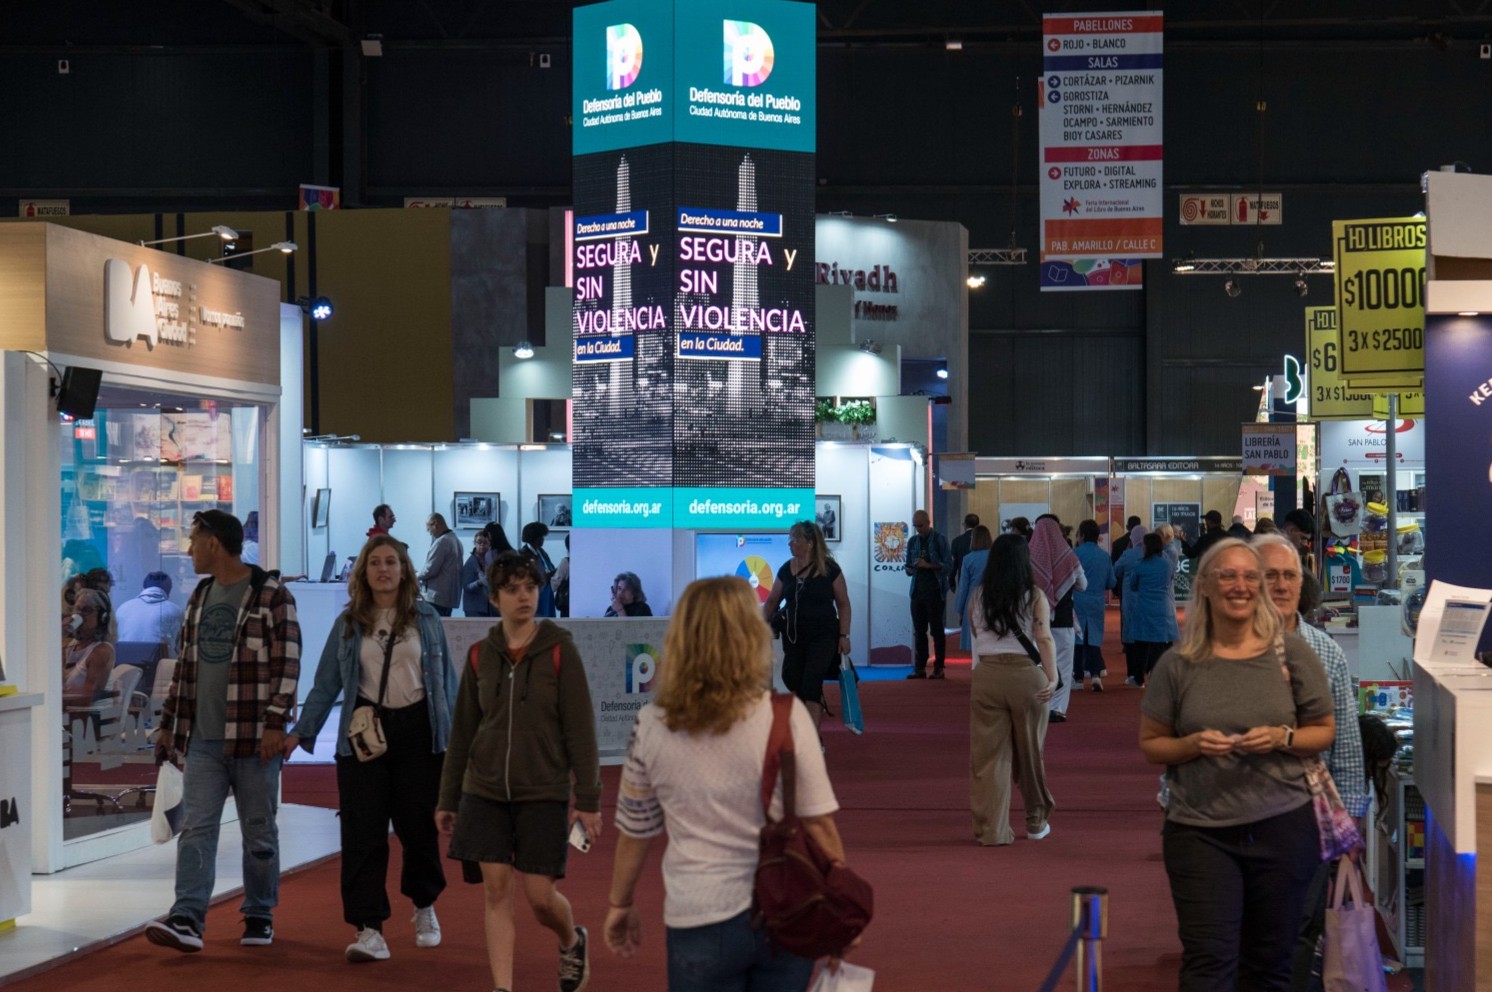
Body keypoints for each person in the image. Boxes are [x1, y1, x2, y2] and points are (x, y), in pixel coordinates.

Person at [605, 576, 850, 990]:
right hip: (784, 908)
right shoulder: (787, 716)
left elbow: (635, 830)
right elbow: (820, 826)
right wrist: (842, 902)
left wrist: (620, 902)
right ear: (752, 635)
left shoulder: (651, 724)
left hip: (698, 913)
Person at [1140, 538, 1335, 991]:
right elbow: (1152, 744)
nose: (1240, 586)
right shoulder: (1177, 665)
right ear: (1205, 585)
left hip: (1284, 828)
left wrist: (1283, 737)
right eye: (1227, 575)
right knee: (1209, 963)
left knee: (1271, 964)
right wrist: (1190, 744)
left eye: (1250, 576)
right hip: (1200, 832)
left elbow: (1323, 730)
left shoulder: (1293, 654)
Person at [285, 535, 460, 963]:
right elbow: (326, 682)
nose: (383, 569)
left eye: (391, 562)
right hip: (364, 735)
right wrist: (299, 733)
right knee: (362, 832)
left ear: (404, 571)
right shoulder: (349, 623)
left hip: (419, 733)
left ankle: (424, 907)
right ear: (364, 572)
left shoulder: (428, 619)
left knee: (417, 827)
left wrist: (459, 744)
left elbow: (446, 686)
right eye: (375, 563)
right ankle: (368, 929)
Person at [437, 552, 601, 992]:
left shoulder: (560, 650)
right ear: (494, 599)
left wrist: (588, 800)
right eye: (512, 589)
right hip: (484, 789)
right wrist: (448, 798)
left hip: (542, 790)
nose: (523, 596)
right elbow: (464, 731)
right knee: (495, 891)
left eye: (530, 587)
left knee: (540, 898)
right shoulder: (478, 656)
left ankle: (570, 939)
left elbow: (580, 729)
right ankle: (503, 988)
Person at [146, 510, 301, 953]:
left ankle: (259, 912)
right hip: (203, 740)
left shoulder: (271, 595)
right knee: (196, 827)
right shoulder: (200, 595)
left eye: (193, 540)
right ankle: (188, 917)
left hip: (255, 739)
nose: (189, 549)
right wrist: (167, 726)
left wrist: (275, 722)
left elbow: (287, 666)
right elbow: (185, 668)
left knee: (258, 829)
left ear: (214, 543)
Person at [968, 534, 1058, 845]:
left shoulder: (978, 596)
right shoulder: (1034, 596)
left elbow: (975, 633)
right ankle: (1035, 822)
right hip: (1025, 678)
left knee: (989, 758)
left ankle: (992, 830)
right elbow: (1044, 638)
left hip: (987, 677)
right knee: (1031, 753)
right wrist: (1052, 676)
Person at [761, 521, 851, 741]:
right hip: (794, 636)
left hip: (824, 636)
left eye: (795, 539)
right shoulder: (786, 569)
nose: (790, 544)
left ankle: (811, 740)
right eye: (790, 539)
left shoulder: (830, 569)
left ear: (809, 543)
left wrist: (843, 635)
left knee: (811, 683)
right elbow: (772, 601)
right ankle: (806, 723)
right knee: (793, 680)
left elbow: (843, 604)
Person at [1030, 515, 1085, 720]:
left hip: (1035, 620)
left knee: (1038, 664)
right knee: (1063, 664)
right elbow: (1083, 585)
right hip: (1063, 619)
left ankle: (1038, 706)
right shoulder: (1069, 556)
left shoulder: (1029, 556)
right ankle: (1058, 709)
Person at [1124, 534, 1180, 686]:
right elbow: (1170, 581)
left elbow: (1133, 585)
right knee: (1159, 644)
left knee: (1141, 645)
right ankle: (1158, 675)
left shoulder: (1140, 565)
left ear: (1147, 546)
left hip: (1144, 607)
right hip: (1163, 608)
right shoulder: (1167, 564)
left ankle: (1138, 678)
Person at [905, 509, 951, 679]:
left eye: (921, 525)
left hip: (935, 591)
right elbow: (908, 566)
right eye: (915, 526)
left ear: (928, 522)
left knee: (937, 631)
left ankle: (939, 667)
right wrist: (910, 569)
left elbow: (948, 565)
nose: (918, 529)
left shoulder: (939, 540)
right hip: (917, 591)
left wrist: (928, 565)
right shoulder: (912, 542)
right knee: (919, 631)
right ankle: (920, 667)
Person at [1072, 520, 1116, 691]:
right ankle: (1096, 675)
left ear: (1082, 535)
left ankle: (1078, 677)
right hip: (1097, 602)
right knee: (1094, 639)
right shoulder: (1104, 556)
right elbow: (1111, 582)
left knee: (1078, 639)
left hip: (1078, 600)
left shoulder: (1075, 553)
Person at [62, 587, 115, 709]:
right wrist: (60, 633)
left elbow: (87, 698)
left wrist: (52, 702)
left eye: (86, 610)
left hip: (92, 718)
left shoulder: (102, 651)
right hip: (70, 713)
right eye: (77, 610)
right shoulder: (70, 646)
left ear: (102, 618)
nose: (79, 615)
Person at [1113, 524, 1147, 688]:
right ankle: (1144, 672)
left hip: (1130, 601)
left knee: (1130, 637)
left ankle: (1132, 674)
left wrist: (1128, 550)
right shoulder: (1154, 554)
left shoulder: (1128, 554)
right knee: (1144, 637)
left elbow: (1117, 570)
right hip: (1147, 601)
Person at [115, 571, 185, 652]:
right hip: (160, 663)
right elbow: (181, 648)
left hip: (124, 662)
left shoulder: (123, 608)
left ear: (144, 587)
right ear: (169, 590)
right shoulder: (176, 611)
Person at [954, 525, 994, 651]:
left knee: (974, 639)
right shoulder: (995, 556)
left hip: (973, 599)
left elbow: (963, 587)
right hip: (992, 598)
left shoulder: (968, 559)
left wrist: (960, 610)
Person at [418, 512, 463, 617]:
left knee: (433, 630)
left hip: (436, 597)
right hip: (449, 598)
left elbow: (430, 570)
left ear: (435, 524)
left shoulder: (442, 542)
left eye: (429, 529)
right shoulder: (456, 540)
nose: (429, 533)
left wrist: (415, 574)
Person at [1282, 509, 1323, 616]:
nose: (1304, 543)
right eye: (1302, 538)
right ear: (1291, 530)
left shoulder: (1289, 554)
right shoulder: (1276, 554)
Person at [519, 521, 558, 618]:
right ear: (534, 537)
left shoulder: (541, 551)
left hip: (547, 591)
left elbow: (549, 567)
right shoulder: (523, 554)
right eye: (541, 536)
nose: (543, 539)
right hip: (536, 594)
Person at [462, 531, 493, 618]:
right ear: (474, 543)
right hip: (474, 607)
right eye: (479, 542)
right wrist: (479, 583)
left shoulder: (489, 560)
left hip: (488, 606)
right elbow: (466, 586)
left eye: (485, 542)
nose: (482, 545)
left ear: (490, 544)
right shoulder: (471, 562)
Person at [949, 513, 979, 595]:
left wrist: (952, 582)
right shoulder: (984, 541)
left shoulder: (957, 541)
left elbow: (954, 564)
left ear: (964, 524)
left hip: (963, 580)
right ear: (978, 525)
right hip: (980, 581)